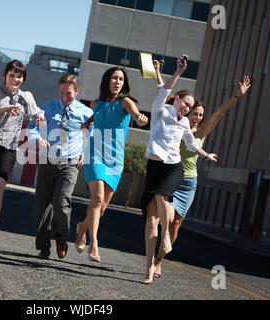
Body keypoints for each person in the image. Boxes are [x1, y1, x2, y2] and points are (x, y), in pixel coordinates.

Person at [152, 60, 251, 278]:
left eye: (200, 115)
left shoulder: (201, 133)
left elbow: (220, 112)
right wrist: (158, 72)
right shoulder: (176, 125)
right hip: (171, 175)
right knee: (165, 219)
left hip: (189, 181)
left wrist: (237, 95)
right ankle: (156, 253)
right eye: (194, 113)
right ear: (187, 113)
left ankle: (159, 259)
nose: (197, 117)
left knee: (176, 225)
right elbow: (164, 94)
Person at [142, 55, 218, 284]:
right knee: (150, 220)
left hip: (173, 167)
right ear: (176, 99)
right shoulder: (160, 110)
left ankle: (166, 239)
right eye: (185, 103)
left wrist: (206, 154)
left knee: (163, 197)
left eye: (189, 106)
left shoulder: (185, 122)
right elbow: (162, 89)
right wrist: (176, 73)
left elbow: (192, 145)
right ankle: (148, 269)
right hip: (155, 166)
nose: (186, 108)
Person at [0, 60, 45, 255]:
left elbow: (36, 112)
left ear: (23, 79)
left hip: (8, 149)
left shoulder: (25, 97)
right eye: (12, 75)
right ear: (5, 75)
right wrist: (4, 108)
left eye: (19, 76)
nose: (15, 79)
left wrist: (41, 117)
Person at [75, 67, 149, 263]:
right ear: (107, 81)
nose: (118, 82)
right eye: (114, 78)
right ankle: (94, 244)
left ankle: (82, 228)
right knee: (97, 198)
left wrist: (141, 119)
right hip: (95, 155)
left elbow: (137, 116)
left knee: (102, 207)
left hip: (115, 159)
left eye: (121, 79)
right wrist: (85, 137)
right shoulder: (96, 104)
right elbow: (87, 123)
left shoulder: (126, 102)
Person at [26, 74, 93, 260]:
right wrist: (37, 137)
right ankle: (44, 247)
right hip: (48, 160)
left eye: (69, 92)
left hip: (70, 162)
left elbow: (93, 136)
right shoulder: (47, 108)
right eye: (62, 92)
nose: (65, 95)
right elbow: (32, 127)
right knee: (43, 205)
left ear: (77, 92)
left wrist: (85, 153)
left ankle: (61, 236)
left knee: (62, 200)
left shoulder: (86, 113)